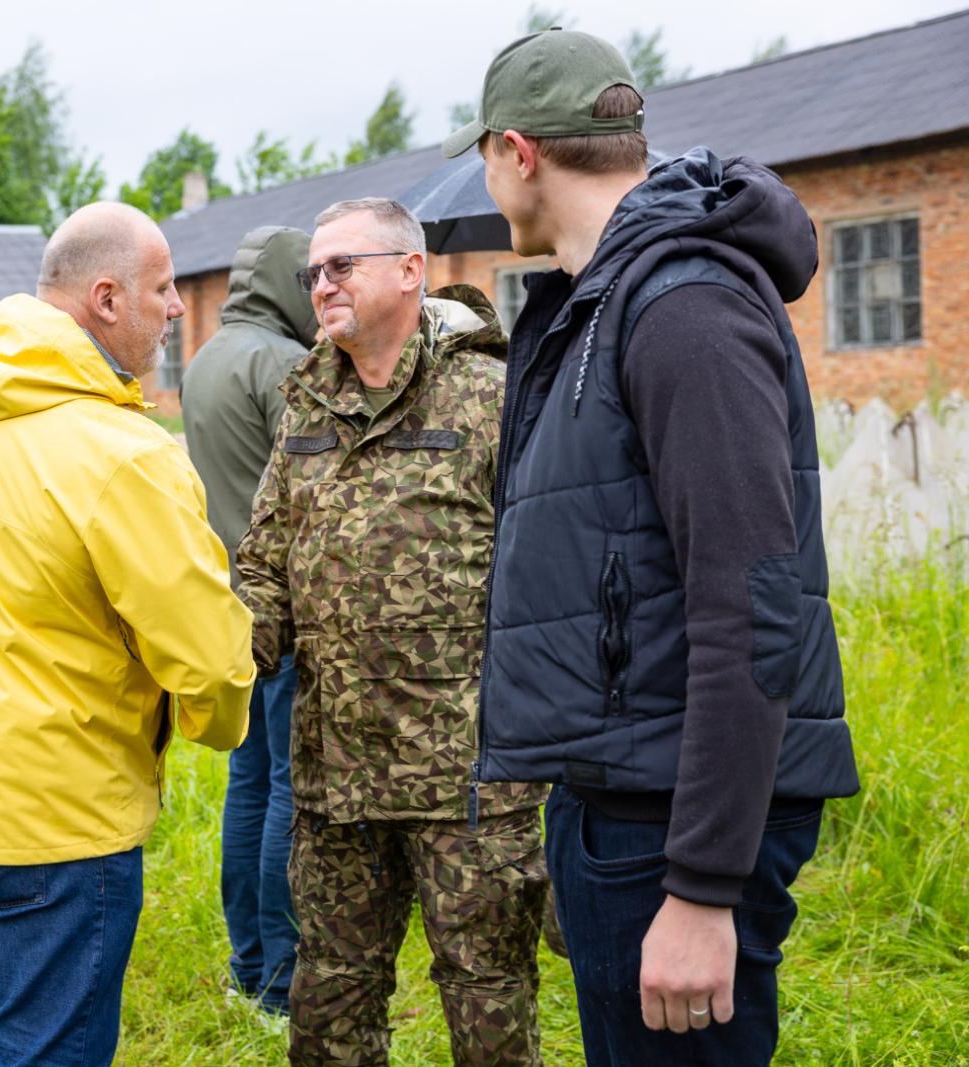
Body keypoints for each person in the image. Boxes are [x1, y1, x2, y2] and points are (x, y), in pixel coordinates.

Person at [442, 29, 859, 1065]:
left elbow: (749, 602)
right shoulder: (601, 298)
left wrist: (703, 886)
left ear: (516, 150)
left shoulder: (683, 307)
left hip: (670, 827)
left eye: (486, 161)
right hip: (620, 798)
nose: (489, 182)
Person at [0, 201, 255, 1067]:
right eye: (163, 289)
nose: (180, 307)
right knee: (46, 1046)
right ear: (106, 298)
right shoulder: (127, 453)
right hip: (54, 815)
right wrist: (218, 722)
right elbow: (211, 660)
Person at [237, 198, 548, 1067]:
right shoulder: (306, 400)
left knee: (488, 997)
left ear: (411, 270)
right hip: (337, 775)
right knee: (330, 996)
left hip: (470, 776)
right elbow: (266, 564)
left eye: (343, 266)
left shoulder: (494, 392)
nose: (321, 284)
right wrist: (216, 655)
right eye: (312, 272)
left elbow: (548, 576)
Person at [179, 225, 316, 1018]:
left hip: (230, 605)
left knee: (250, 782)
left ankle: (246, 964)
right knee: (289, 791)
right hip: (288, 608)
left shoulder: (206, 358)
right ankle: (280, 980)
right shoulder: (283, 362)